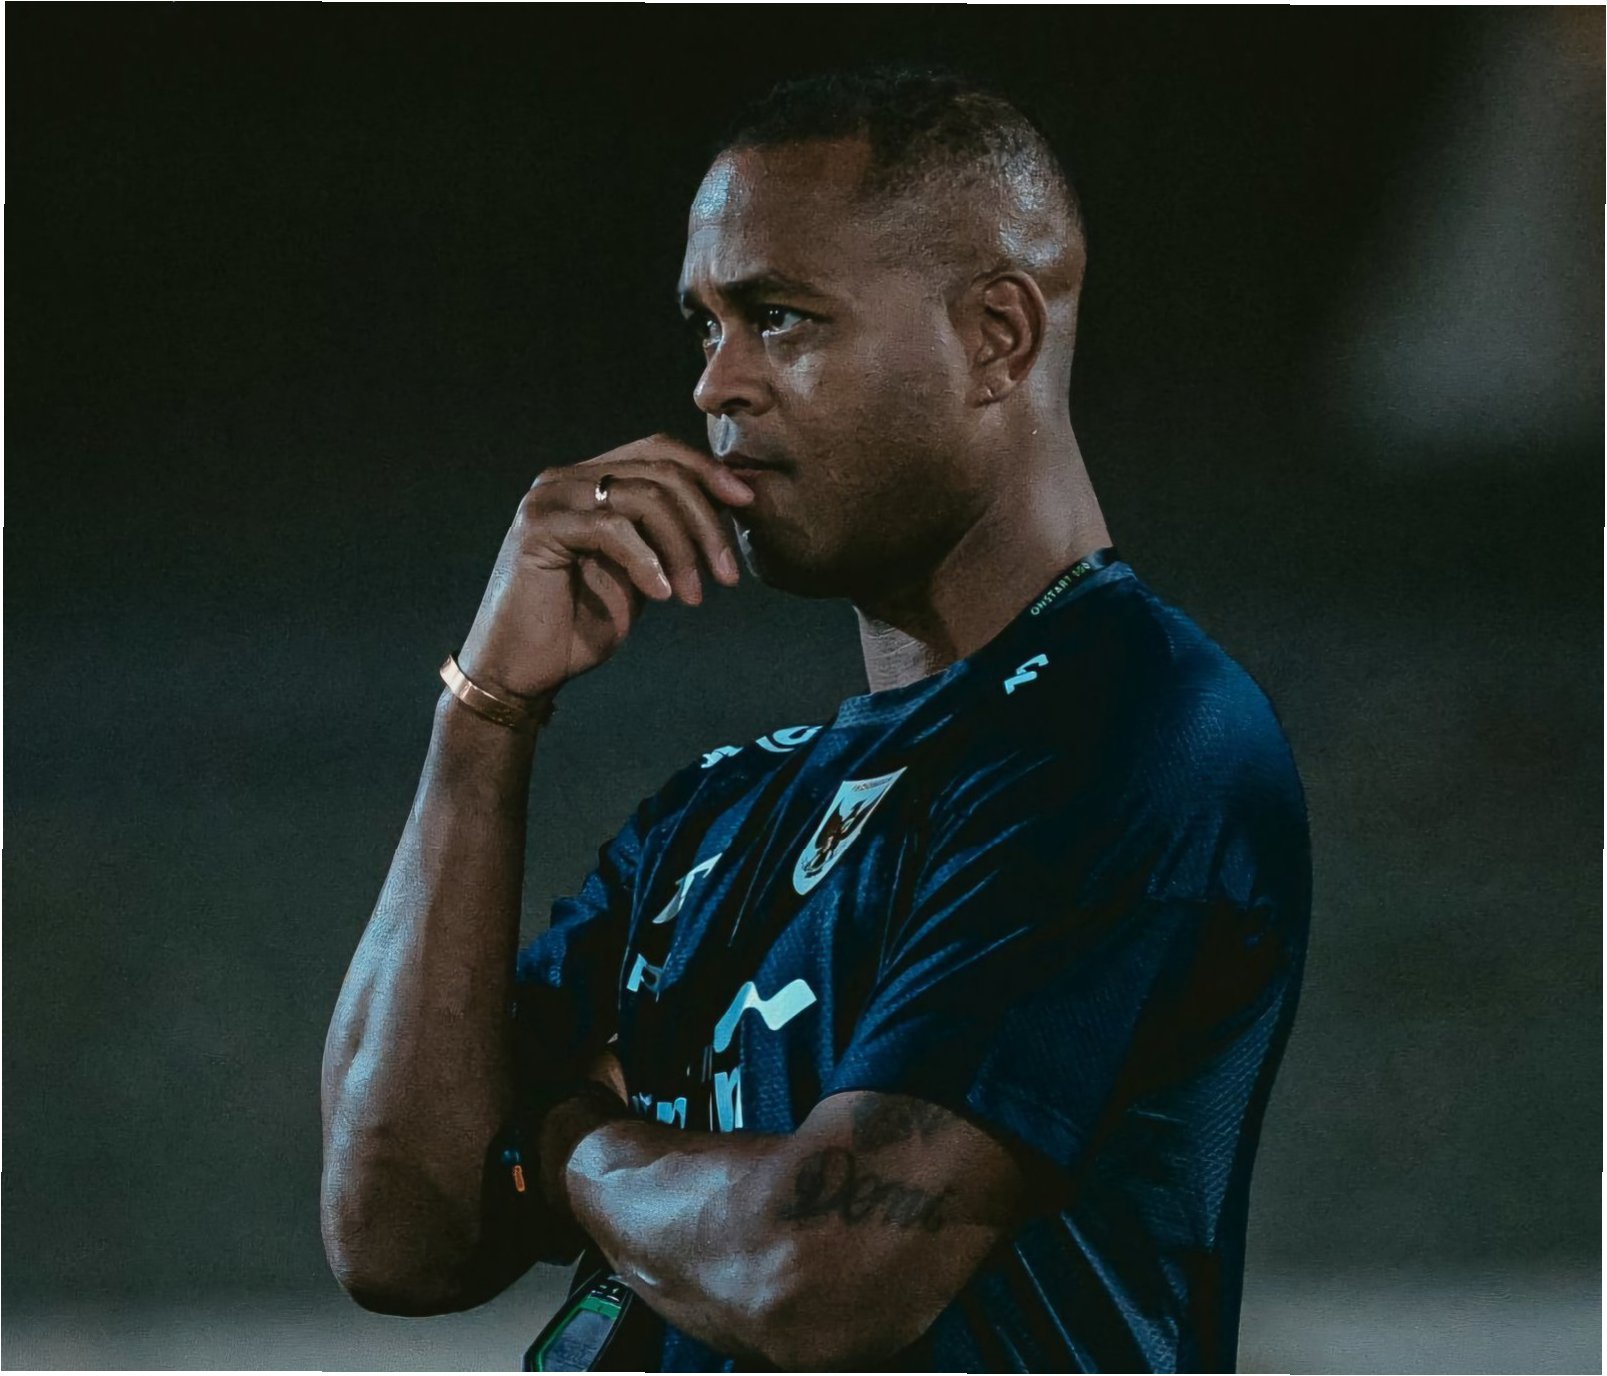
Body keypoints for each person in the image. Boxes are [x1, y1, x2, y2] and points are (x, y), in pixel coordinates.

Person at [320, 62, 1311, 1374]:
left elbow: (819, 1275)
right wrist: (486, 717)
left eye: (779, 319)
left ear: (997, 337)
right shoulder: (719, 812)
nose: (715, 386)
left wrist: (562, 1144)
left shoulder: (1132, 729)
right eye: (706, 327)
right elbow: (395, 1233)